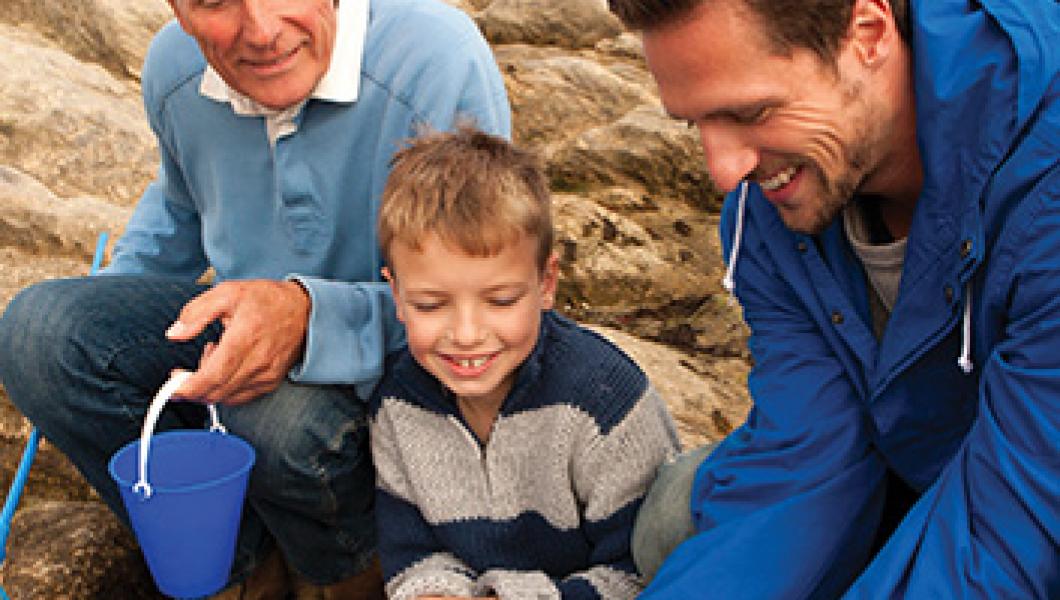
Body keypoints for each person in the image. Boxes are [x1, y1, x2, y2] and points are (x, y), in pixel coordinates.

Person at [0, 0, 510, 596]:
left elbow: (481, 308)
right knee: (38, 336)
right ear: (178, 9)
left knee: (272, 420)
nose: (263, 31)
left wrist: (307, 317)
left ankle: (352, 571)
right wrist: (92, 325)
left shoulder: (436, 60)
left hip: (401, 392)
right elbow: (180, 206)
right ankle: (241, 572)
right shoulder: (174, 68)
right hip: (249, 364)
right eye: (216, 1)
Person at [606, 0, 1060, 597]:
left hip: (1032, 483)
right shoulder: (771, 211)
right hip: (930, 465)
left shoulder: (1044, 183)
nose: (723, 170)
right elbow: (806, 461)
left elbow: (1010, 530)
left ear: (867, 34)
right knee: (672, 516)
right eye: (696, 123)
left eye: (751, 112)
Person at [368, 127, 681, 599]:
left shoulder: (605, 400)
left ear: (546, 282)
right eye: (431, 305)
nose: (467, 335)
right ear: (396, 294)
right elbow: (411, 552)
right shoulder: (396, 405)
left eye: (501, 300)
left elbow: (639, 569)